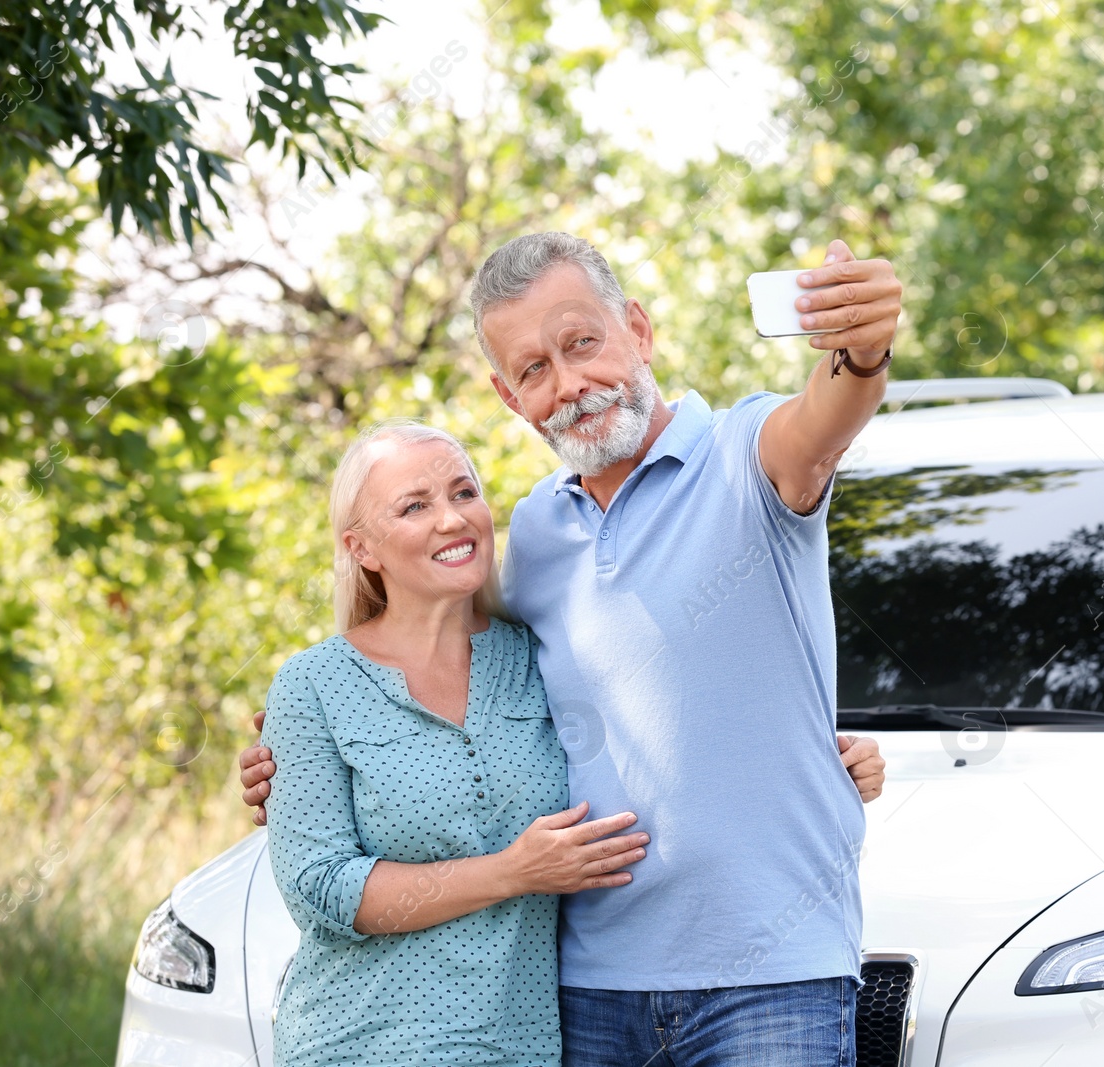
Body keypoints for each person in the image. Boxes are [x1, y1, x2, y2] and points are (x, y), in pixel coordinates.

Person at [242, 231, 899, 1065]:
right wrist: (290, 760)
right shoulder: (535, 535)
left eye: (582, 343)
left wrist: (863, 350)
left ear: (639, 329)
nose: (570, 385)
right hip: (586, 986)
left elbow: (824, 420)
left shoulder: (745, 455)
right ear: (509, 397)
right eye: (534, 369)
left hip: (770, 974)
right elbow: (460, 689)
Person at [261, 421, 651, 1066]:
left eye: (463, 493)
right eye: (415, 506)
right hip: (357, 1047)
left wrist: (821, 755)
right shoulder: (314, 685)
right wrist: (512, 873)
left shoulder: (543, 660)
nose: (452, 519)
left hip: (515, 1049)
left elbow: (664, 734)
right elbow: (321, 886)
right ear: (363, 549)